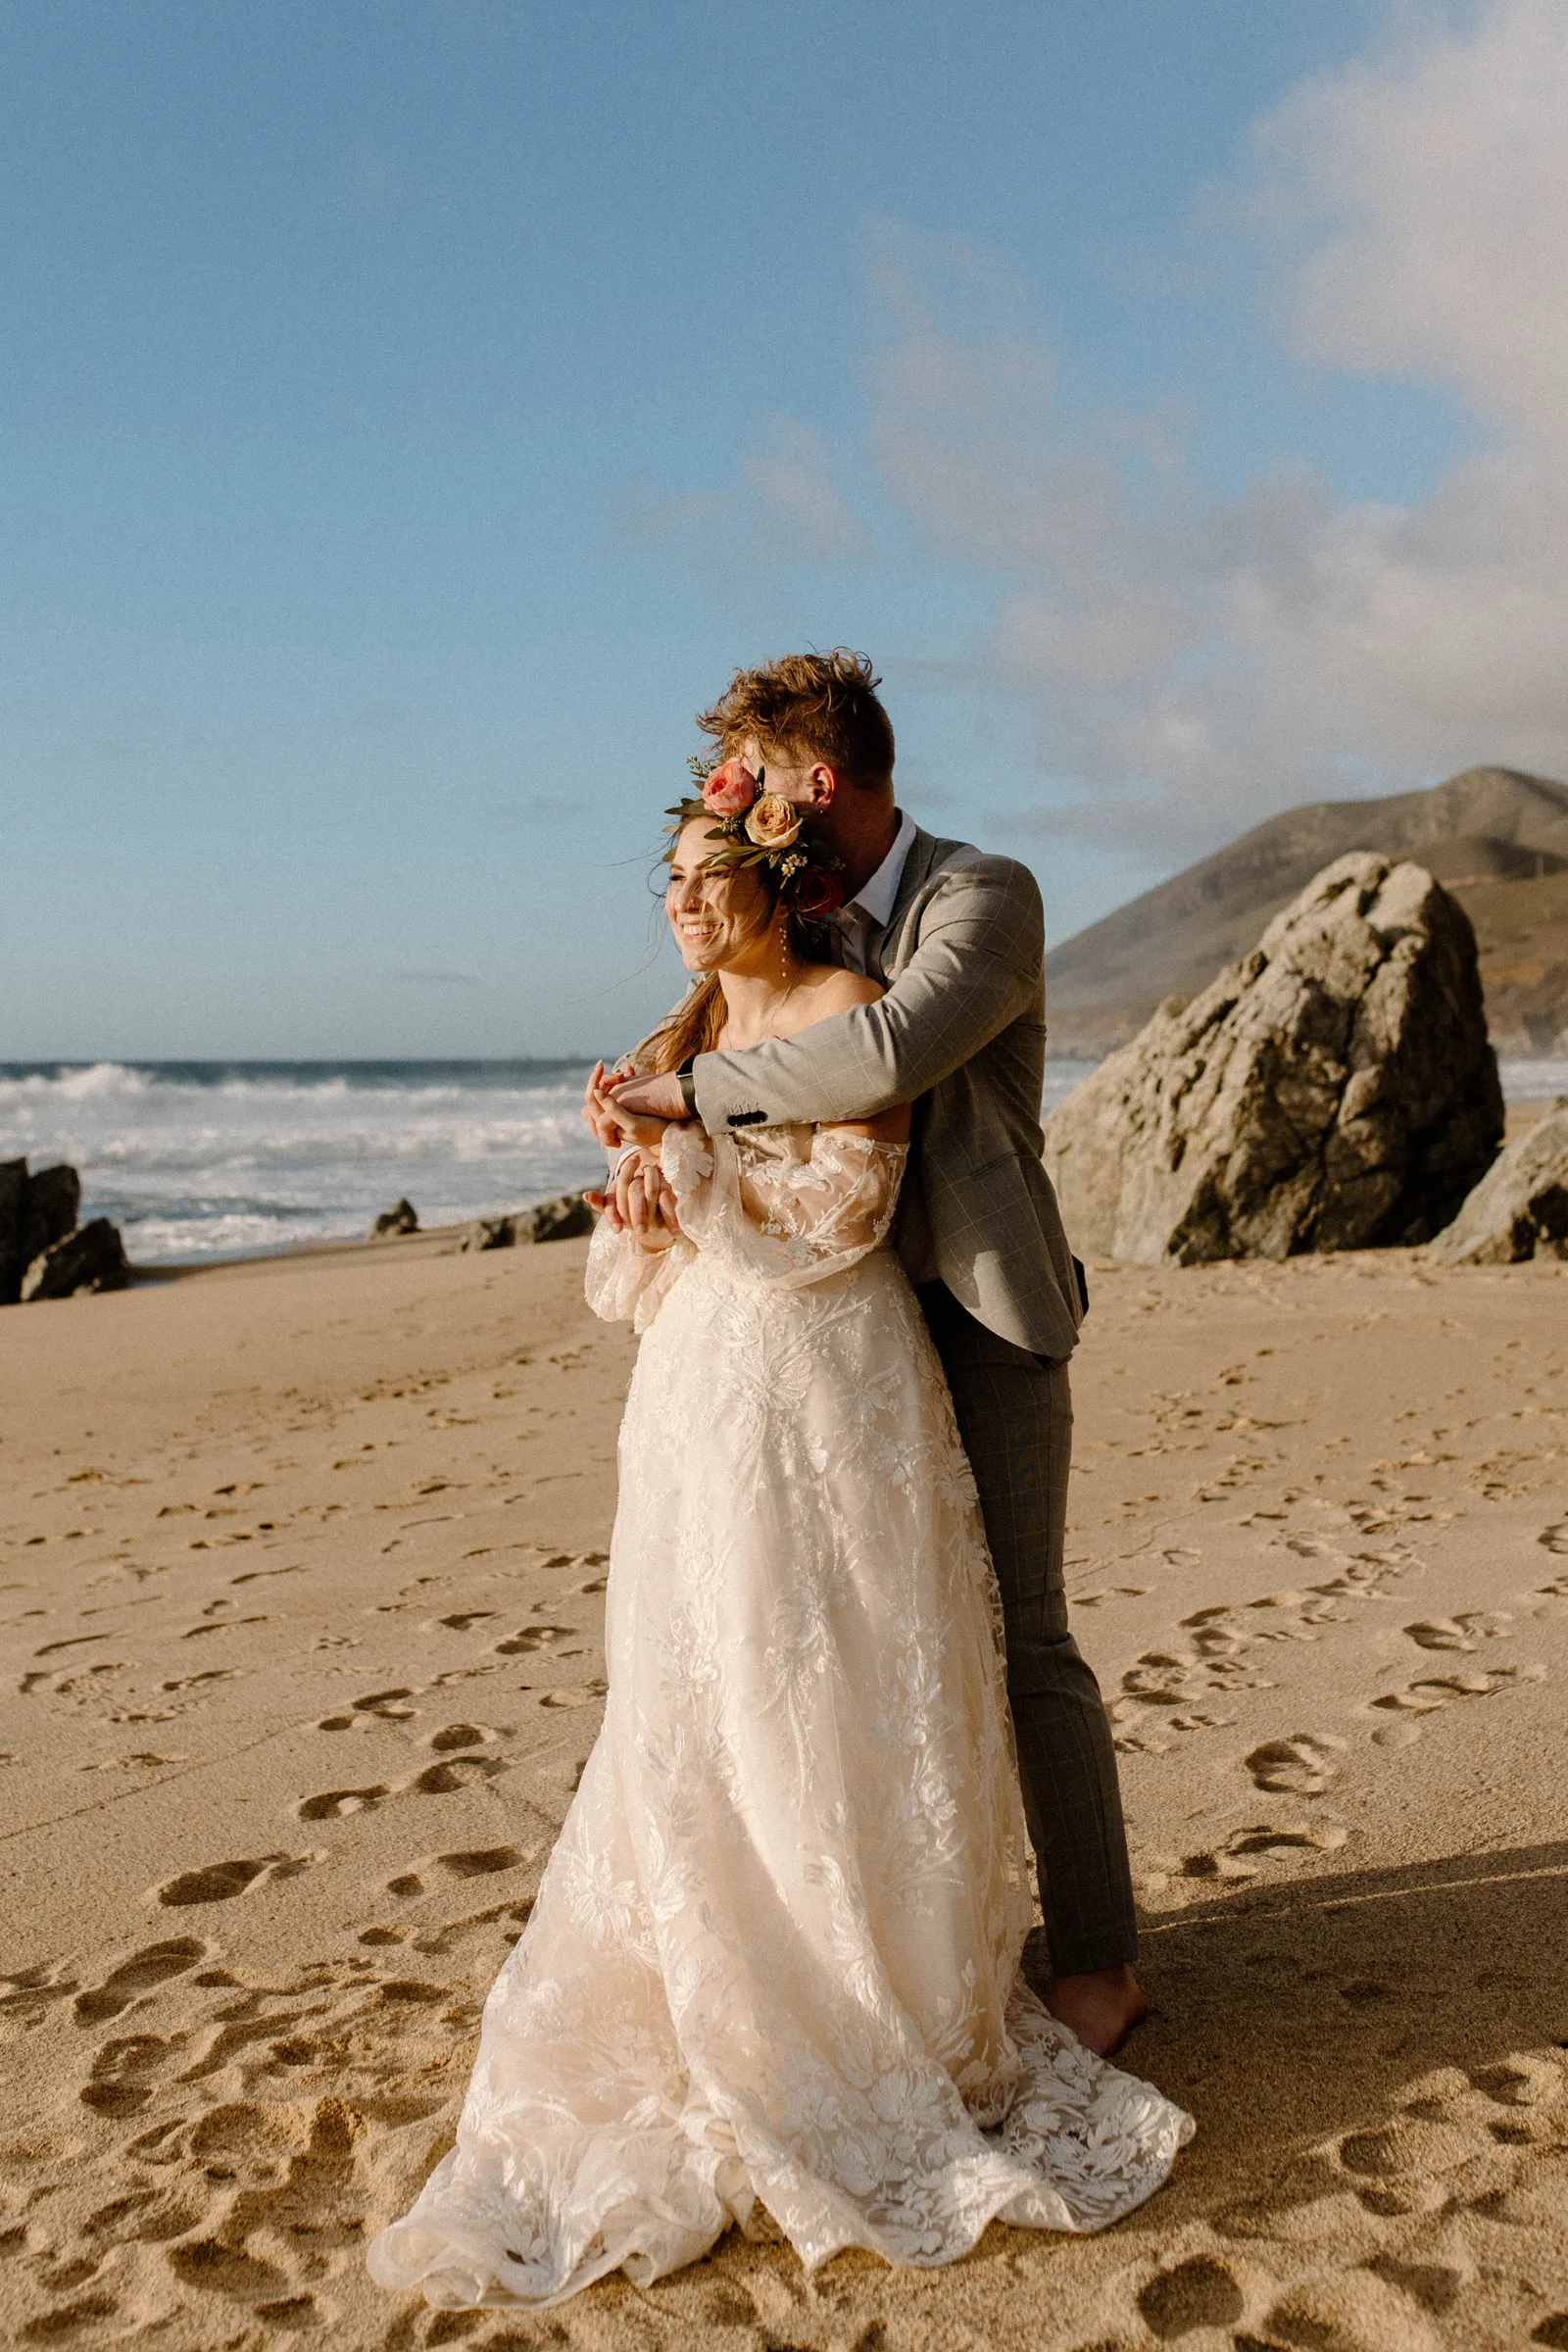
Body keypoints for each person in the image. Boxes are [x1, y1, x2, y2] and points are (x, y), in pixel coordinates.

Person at [368, 751, 1191, 2315]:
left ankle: (1044, 1965)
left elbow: (841, 1218)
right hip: (699, 1396)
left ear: (785, 864)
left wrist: (685, 1149)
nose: (682, 906)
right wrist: (644, 1203)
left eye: (707, 874)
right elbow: (650, 1257)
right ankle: (739, 1958)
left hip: (836, 1367)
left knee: (886, 1659)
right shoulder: (673, 1031)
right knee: (707, 1672)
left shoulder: (877, 979)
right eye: (666, 883)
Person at [600, 651, 1144, 2058]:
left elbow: (887, 1054)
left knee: (1026, 1636)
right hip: (830, 1345)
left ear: (816, 783)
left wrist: (689, 1095)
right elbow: (754, 1028)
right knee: (857, 1644)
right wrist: (655, 1151)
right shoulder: (808, 923)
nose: (752, 812)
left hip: (974, 1313)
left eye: (762, 785)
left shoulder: (983, 894)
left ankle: (1098, 1963)